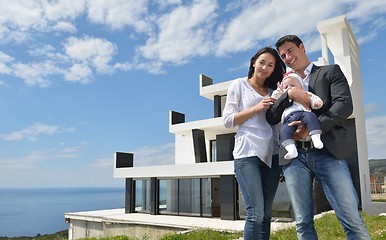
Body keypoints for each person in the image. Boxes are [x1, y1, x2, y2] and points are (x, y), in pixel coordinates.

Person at [266, 35, 370, 240]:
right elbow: (271, 116)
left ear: (302, 47)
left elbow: (344, 105)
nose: (287, 57)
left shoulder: (329, 72)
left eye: (290, 50)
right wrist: (290, 95)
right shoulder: (284, 85)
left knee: (350, 217)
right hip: (294, 158)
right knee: (303, 223)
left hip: (328, 151)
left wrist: (314, 128)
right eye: (283, 55)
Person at [223, 46, 286, 240]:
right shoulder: (239, 85)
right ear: (253, 63)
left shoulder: (274, 91)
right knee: (255, 213)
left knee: (266, 215)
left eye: (270, 65)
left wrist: (282, 160)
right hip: (247, 153)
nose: (265, 68)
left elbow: (277, 127)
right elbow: (227, 121)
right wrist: (257, 107)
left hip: (272, 156)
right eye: (262, 62)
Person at [271, 72, 324, 159]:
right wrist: (279, 90)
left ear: (301, 86)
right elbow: (274, 99)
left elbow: (314, 99)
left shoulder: (305, 93)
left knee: (311, 117)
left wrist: (316, 103)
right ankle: (291, 149)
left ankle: (316, 137)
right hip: (288, 119)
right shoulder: (283, 98)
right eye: (286, 87)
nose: (289, 88)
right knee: (283, 130)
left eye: (292, 85)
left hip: (303, 114)